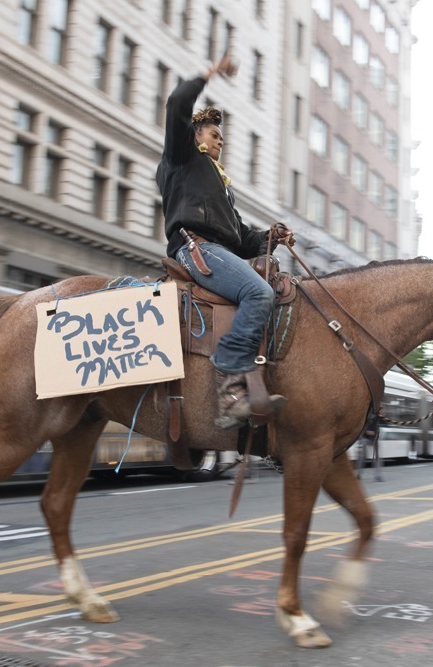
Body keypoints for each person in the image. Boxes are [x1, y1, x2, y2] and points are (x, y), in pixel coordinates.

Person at [156, 55, 295, 430]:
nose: (220, 141)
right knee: (259, 294)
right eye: (214, 134)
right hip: (195, 250)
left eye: (222, 137)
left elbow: (242, 238)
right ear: (196, 136)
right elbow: (177, 104)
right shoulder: (182, 156)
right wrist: (210, 73)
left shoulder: (220, 187)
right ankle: (230, 383)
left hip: (217, 249)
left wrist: (272, 237)